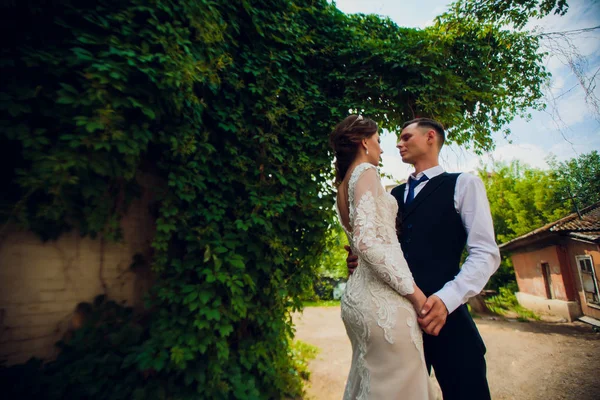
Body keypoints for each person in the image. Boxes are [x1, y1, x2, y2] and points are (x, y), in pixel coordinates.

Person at [346, 117, 501, 400]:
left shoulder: (464, 184)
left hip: (448, 317)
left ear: (431, 137)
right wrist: (359, 261)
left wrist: (448, 299)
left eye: (406, 137)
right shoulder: (393, 194)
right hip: (397, 320)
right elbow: (378, 244)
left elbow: (485, 253)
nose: (398, 143)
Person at [330, 114, 436, 400]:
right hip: (383, 304)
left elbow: (358, 244)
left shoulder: (342, 185)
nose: (382, 148)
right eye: (378, 140)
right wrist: (415, 295)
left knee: (374, 384)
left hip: (358, 298)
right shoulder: (365, 172)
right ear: (364, 142)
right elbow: (366, 243)